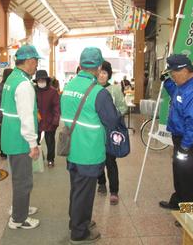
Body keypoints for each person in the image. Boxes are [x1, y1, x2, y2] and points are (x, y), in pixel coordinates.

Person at [61, 47, 121, 244]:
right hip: (89, 150)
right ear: (97, 67)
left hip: (73, 148)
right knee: (84, 193)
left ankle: (77, 221)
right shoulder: (98, 93)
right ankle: (79, 232)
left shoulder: (68, 87)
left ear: (80, 65)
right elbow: (112, 121)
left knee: (76, 189)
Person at [159, 54, 193, 210]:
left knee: (188, 176)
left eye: (173, 74)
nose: (173, 77)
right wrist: (167, 82)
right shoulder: (184, 85)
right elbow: (176, 92)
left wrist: (185, 146)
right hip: (181, 137)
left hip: (190, 140)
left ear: (184, 70)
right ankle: (178, 202)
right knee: (179, 171)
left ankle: (190, 211)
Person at [0, 45, 41, 230]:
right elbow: (26, 117)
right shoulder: (24, 84)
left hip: (10, 135)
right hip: (19, 139)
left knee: (18, 177)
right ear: (30, 61)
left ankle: (20, 207)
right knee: (23, 180)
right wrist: (33, 143)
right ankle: (18, 218)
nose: (37, 66)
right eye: (36, 62)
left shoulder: (12, 77)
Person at [96, 61, 128, 205]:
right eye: (99, 72)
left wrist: (115, 117)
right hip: (96, 132)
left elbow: (123, 107)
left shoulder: (114, 89)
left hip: (110, 132)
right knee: (98, 160)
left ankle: (114, 191)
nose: (101, 75)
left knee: (110, 161)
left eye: (104, 72)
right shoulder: (93, 89)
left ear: (108, 74)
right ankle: (101, 183)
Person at [34, 70, 60, 167]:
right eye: (39, 80)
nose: (41, 81)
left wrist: (56, 120)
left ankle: (50, 159)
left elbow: (57, 107)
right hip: (36, 120)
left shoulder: (53, 92)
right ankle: (38, 157)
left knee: (50, 141)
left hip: (50, 121)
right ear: (36, 81)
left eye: (43, 80)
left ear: (46, 80)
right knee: (35, 141)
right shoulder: (33, 90)